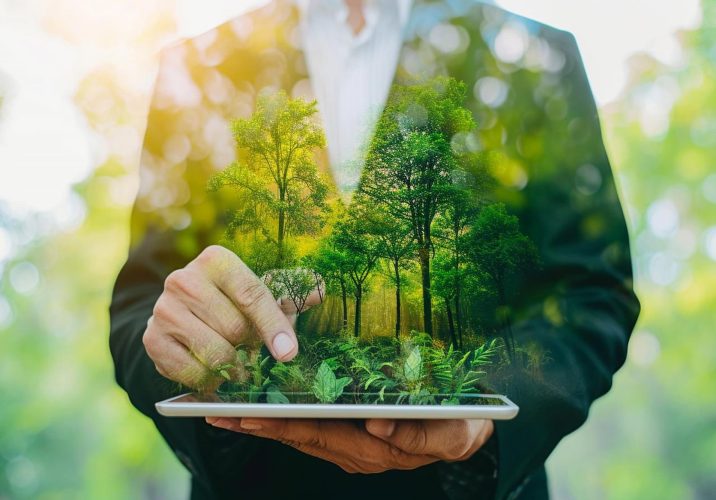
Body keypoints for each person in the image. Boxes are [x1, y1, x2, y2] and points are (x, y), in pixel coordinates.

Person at [109, 0, 640, 498]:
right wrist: (190, 360)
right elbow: (143, 303)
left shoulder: (530, 60)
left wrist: (487, 415)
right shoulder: (200, 70)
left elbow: (590, 292)